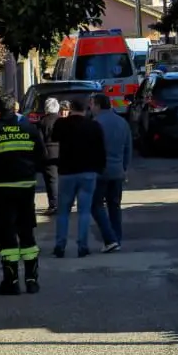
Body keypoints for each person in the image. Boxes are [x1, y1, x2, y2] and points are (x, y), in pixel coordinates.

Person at [0, 95, 47, 294]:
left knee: (7, 235)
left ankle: (11, 282)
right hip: (25, 188)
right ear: (15, 109)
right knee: (27, 232)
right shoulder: (29, 128)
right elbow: (41, 156)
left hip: (2, 189)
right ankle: (31, 280)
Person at [50, 96, 106, 258]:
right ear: (86, 108)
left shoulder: (62, 124)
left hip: (67, 172)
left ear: (71, 108)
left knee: (63, 212)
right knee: (84, 211)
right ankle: (82, 246)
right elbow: (101, 149)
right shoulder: (94, 126)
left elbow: (54, 137)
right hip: (88, 172)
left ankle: (60, 245)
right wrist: (99, 169)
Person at [89, 93, 130, 251]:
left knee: (96, 205)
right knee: (115, 205)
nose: (90, 108)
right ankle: (117, 239)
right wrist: (124, 168)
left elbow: (91, 150)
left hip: (100, 172)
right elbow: (128, 149)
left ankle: (110, 239)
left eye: (92, 104)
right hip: (117, 171)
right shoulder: (122, 122)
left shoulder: (95, 123)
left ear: (98, 106)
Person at [36, 98, 61, 215]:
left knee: (51, 180)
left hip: (48, 153)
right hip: (62, 152)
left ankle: (54, 205)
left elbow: (39, 141)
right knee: (61, 179)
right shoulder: (62, 121)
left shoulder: (42, 122)